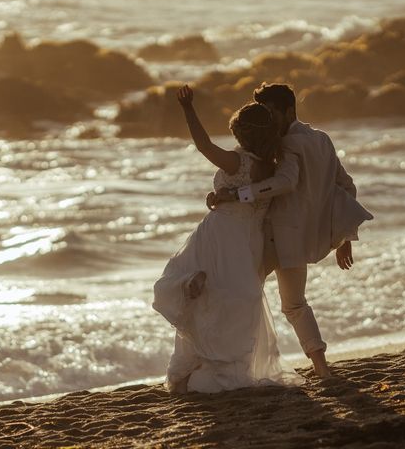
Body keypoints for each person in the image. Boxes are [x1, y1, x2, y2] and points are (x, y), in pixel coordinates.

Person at [207, 83, 373, 378]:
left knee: (239, 293)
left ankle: (228, 365)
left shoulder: (288, 144)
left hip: (272, 236)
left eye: (271, 113)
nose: (269, 122)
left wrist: (238, 195)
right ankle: (321, 368)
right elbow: (346, 187)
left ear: (289, 111)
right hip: (298, 239)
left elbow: (286, 182)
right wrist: (345, 236)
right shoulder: (321, 139)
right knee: (294, 304)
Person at [152, 85, 303, 394]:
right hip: (250, 242)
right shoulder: (270, 167)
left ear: (243, 135)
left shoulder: (238, 163)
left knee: (206, 297)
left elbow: (204, 145)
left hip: (222, 234)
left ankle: (194, 360)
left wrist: (188, 108)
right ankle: (215, 363)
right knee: (236, 301)